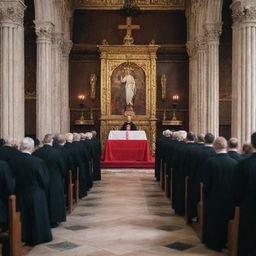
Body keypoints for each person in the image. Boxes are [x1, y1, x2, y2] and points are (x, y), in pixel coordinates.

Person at [9, 137, 52, 245]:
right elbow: (44, 180)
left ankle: (23, 236)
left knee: (23, 217)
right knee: (37, 217)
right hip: (36, 193)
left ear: (20, 147)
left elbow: (11, 179)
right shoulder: (37, 161)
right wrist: (43, 190)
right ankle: (38, 237)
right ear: (32, 148)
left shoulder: (12, 161)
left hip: (19, 193)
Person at [202, 137, 237, 252]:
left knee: (213, 221)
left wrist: (206, 194)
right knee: (225, 220)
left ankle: (213, 243)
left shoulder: (210, 161)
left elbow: (206, 183)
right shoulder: (234, 163)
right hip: (228, 198)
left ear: (214, 146)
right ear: (225, 146)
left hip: (213, 197)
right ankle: (225, 241)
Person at [33, 134, 66, 228]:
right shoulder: (57, 152)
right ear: (52, 141)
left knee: (44, 200)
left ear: (43, 141)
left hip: (40, 179)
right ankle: (54, 220)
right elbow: (62, 167)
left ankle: (44, 219)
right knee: (54, 200)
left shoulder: (37, 152)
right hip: (54, 178)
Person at [233, 132, 256, 256]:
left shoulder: (243, 164)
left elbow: (238, 190)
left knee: (247, 243)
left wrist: (237, 203)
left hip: (249, 209)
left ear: (252, 144)